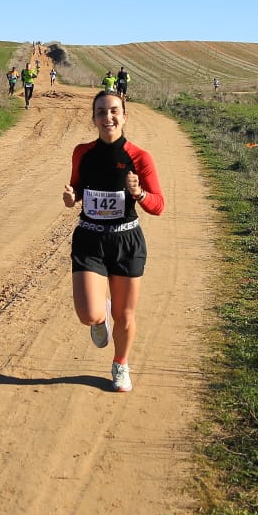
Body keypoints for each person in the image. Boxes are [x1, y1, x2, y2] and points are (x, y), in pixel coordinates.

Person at [62, 90, 164, 392]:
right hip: (89, 239)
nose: (108, 117)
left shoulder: (139, 157)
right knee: (89, 314)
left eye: (114, 111)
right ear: (93, 118)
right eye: (101, 112)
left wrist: (138, 194)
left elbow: (158, 205)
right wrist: (72, 197)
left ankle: (120, 364)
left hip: (126, 242)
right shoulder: (82, 152)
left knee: (125, 315)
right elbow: (78, 190)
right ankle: (99, 314)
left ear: (124, 115)